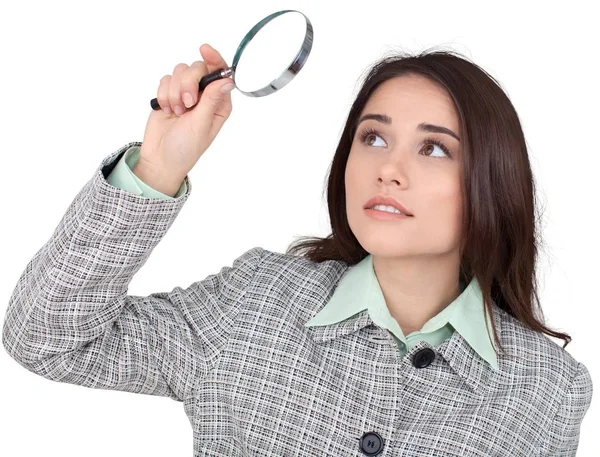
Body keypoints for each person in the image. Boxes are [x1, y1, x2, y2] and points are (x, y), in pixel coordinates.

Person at [2, 43, 593, 456]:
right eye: (374, 136)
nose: (388, 169)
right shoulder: (256, 301)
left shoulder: (550, 389)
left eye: (433, 149)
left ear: (492, 180)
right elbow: (46, 337)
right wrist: (157, 167)